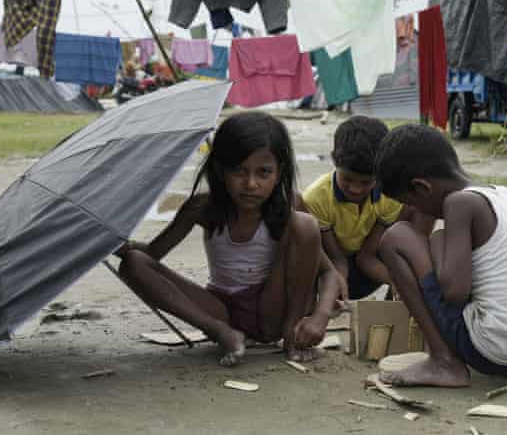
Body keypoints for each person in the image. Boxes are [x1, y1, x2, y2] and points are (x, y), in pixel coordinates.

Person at [117, 112, 340, 366]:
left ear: (279, 173)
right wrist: (117, 244)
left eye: (263, 172)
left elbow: (329, 273)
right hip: (221, 310)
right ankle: (220, 333)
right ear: (220, 171)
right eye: (239, 171)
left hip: (272, 310)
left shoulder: (288, 204)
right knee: (133, 262)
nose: (251, 184)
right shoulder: (201, 207)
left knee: (304, 224)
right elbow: (152, 255)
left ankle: (291, 334)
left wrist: (320, 316)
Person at [374, 124, 507, 387]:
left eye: (413, 204)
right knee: (440, 240)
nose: (416, 211)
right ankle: (479, 361)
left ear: (422, 187)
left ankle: (443, 362)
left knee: (396, 238)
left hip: (492, 348)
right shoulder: (506, 196)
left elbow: (454, 292)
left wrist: (435, 250)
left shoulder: (459, 203)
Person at [301, 116, 431, 301]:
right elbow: (337, 259)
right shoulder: (316, 198)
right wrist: (334, 282)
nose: (355, 189)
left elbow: (367, 258)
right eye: (347, 179)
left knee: (417, 206)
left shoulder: (389, 196)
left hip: (368, 266)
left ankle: (399, 295)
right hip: (330, 266)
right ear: (334, 160)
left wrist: (399, 281)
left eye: (366, 182)